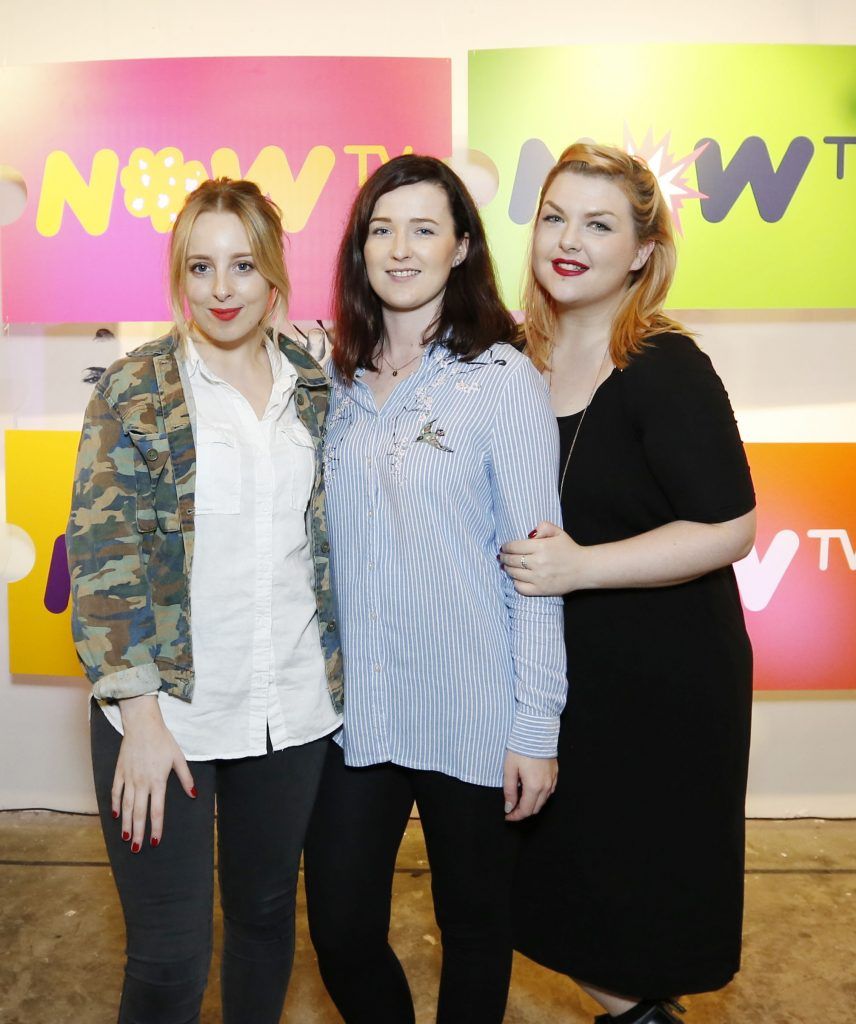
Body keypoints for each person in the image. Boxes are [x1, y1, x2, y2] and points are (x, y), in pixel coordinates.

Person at [67, 178, 343, 1024]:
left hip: (288, 715)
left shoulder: (317, 390)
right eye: (200, 266)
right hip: (166, 723)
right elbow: (101, 557)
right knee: (168, 958)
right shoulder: (136, 387)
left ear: (274, 276)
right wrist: (141, 721)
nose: (222, 290)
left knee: (264, 924)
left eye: (243, 265)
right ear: (179, 278)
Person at [303, 154, 567, 1024]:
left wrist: (536, 725)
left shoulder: (502, 383)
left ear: (461, 248)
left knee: (476, 931)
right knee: (339, 930)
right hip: (359, 715)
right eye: (382, 228)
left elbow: (538, 568)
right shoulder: (330, 386)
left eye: (425, 228)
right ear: (359, 249)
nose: (401, 248)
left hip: (473, 712)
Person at [499, 143, 756, 1024]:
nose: (569, 240)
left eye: (599, 225)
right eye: (555, 217)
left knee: (633, 897)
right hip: (557, 678)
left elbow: (731, 527)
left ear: (642, 251)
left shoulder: (663, 363)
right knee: (557, 887)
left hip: (665, 678)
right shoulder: (509, 355)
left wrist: (581, 568)